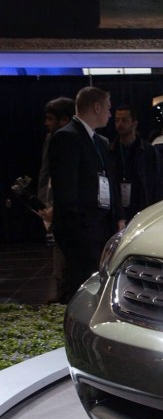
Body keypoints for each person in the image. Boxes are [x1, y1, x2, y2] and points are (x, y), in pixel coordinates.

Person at [47, 86, 125, 303]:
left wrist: (117, 217)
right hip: (82, 233)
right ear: (97, 107)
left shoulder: (99, 141)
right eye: (108, 109)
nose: (110, 114)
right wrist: (81, 230)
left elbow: (110, 180)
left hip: (102, 228)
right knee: (78, 286)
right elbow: (66, 192)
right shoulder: (66, 138)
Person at [35, 96, 75, 302]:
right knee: (59, 257)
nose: (46, 123)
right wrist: (44, 205)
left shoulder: (79, 140)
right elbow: (45, 172)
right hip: (55, 207)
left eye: (51, 118)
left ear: (64, 119)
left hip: (74, 211)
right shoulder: (51, 140)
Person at [111, 105, 163, 220]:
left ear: (134, 123)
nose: (120, 124)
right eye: (117, 120)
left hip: (143, 211)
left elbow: (161, 186)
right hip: (117, 213)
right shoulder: (110, 150)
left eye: (124, 120)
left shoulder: (149, 152)